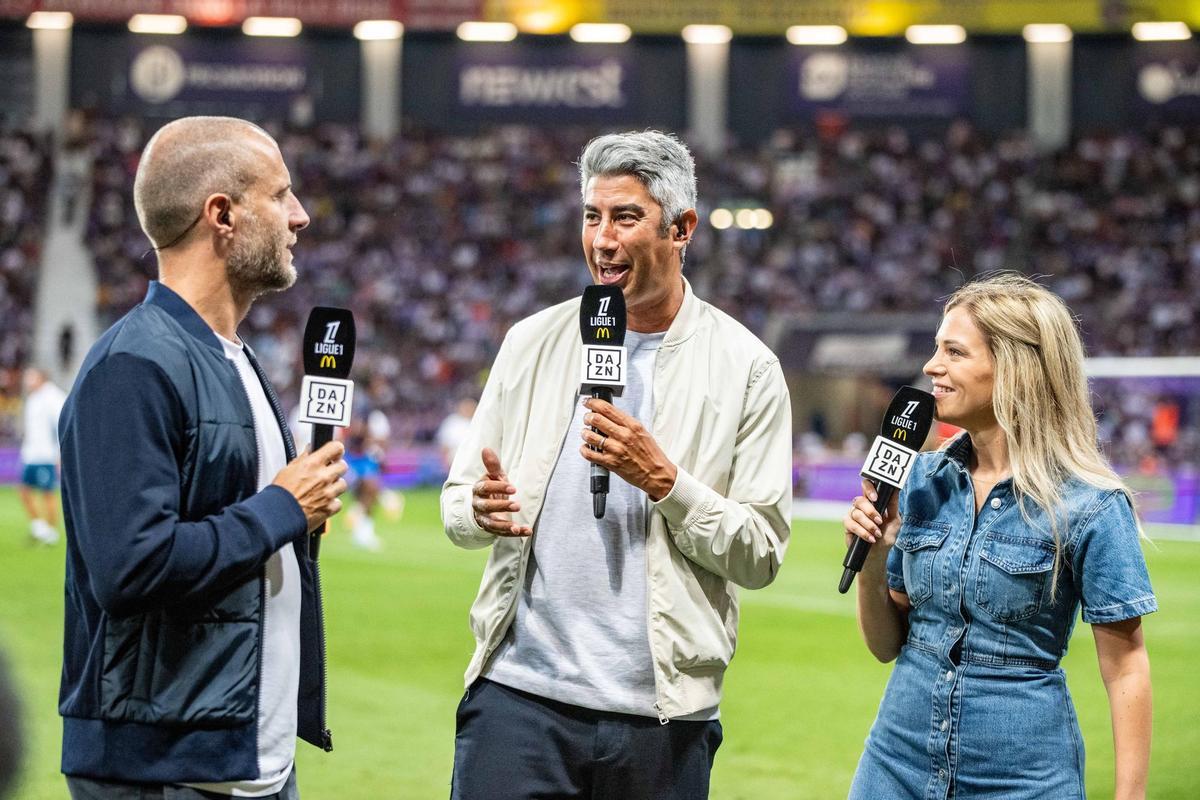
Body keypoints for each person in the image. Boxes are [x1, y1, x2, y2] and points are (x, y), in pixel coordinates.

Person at [441, 131, 793, 799]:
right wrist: (476, 509)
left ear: (682, 227)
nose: (601, 239)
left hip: (661, 719)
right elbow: (458, 508)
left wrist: (667, 484)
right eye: (591, 216)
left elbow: (761, 554)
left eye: (625, 218)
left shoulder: (747, 369)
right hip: (519, 700)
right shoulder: (532, 343)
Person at [58, 117, 348, 800]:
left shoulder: (236, 358)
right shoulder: (132, 364)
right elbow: (130, 567)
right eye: (280, 195)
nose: (300, 216)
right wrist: (281, 508)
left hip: (245, 757)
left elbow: (237, 528)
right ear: (221, 214)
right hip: (162, 769)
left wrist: (294, 519)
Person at [844, 273, 1155, 800]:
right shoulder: (918, 479)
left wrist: (1130, 796)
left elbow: (1126, 666)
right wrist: (874, 555)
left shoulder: (1092, 505)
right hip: (895, 765)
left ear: (1014, 368)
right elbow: (885, 646)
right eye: (934, 349)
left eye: (954, 352)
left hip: (1023, 779)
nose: (930, 366)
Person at [18, 366, 66, 545]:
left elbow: (61, 424)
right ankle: (40, 528)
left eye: (31, 377)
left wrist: (59, 454)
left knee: (47, 493)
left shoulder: (53, 397)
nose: (28, 380)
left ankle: (52, 531)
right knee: (23, 491)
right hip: (31, 454)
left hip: (46, 455)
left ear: (42, 377)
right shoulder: (32, 398)